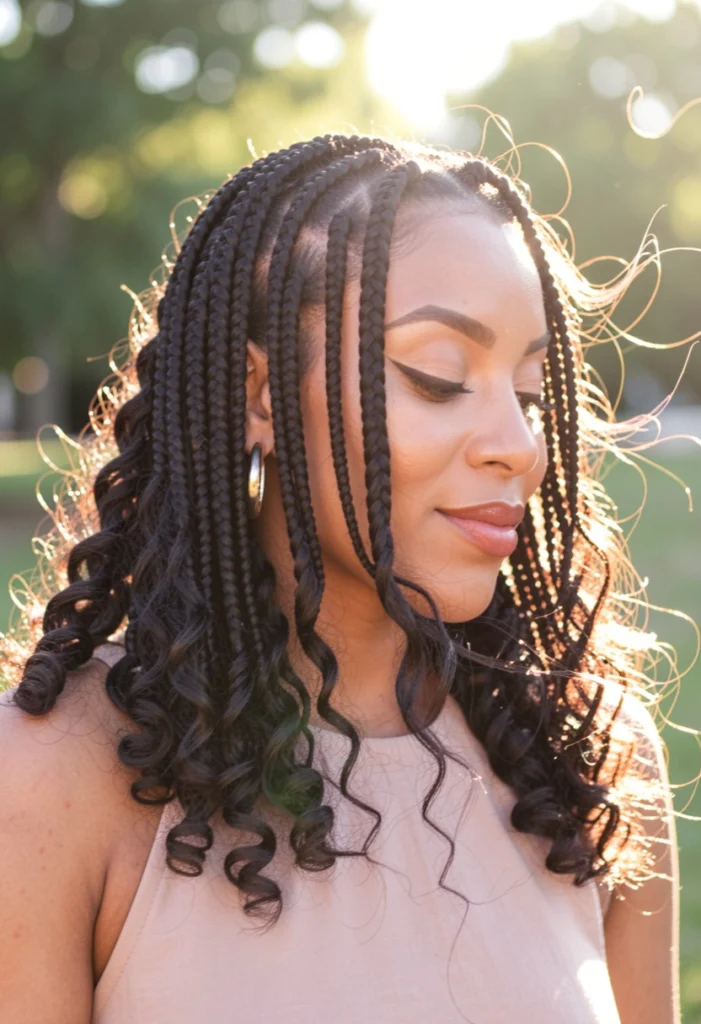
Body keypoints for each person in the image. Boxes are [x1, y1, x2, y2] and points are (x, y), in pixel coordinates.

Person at [0, 133, 680, 1023]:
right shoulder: (54, 782)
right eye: (438, 376)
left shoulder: (585, 755)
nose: (519, 445)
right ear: (258, 395)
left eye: (530, 393)